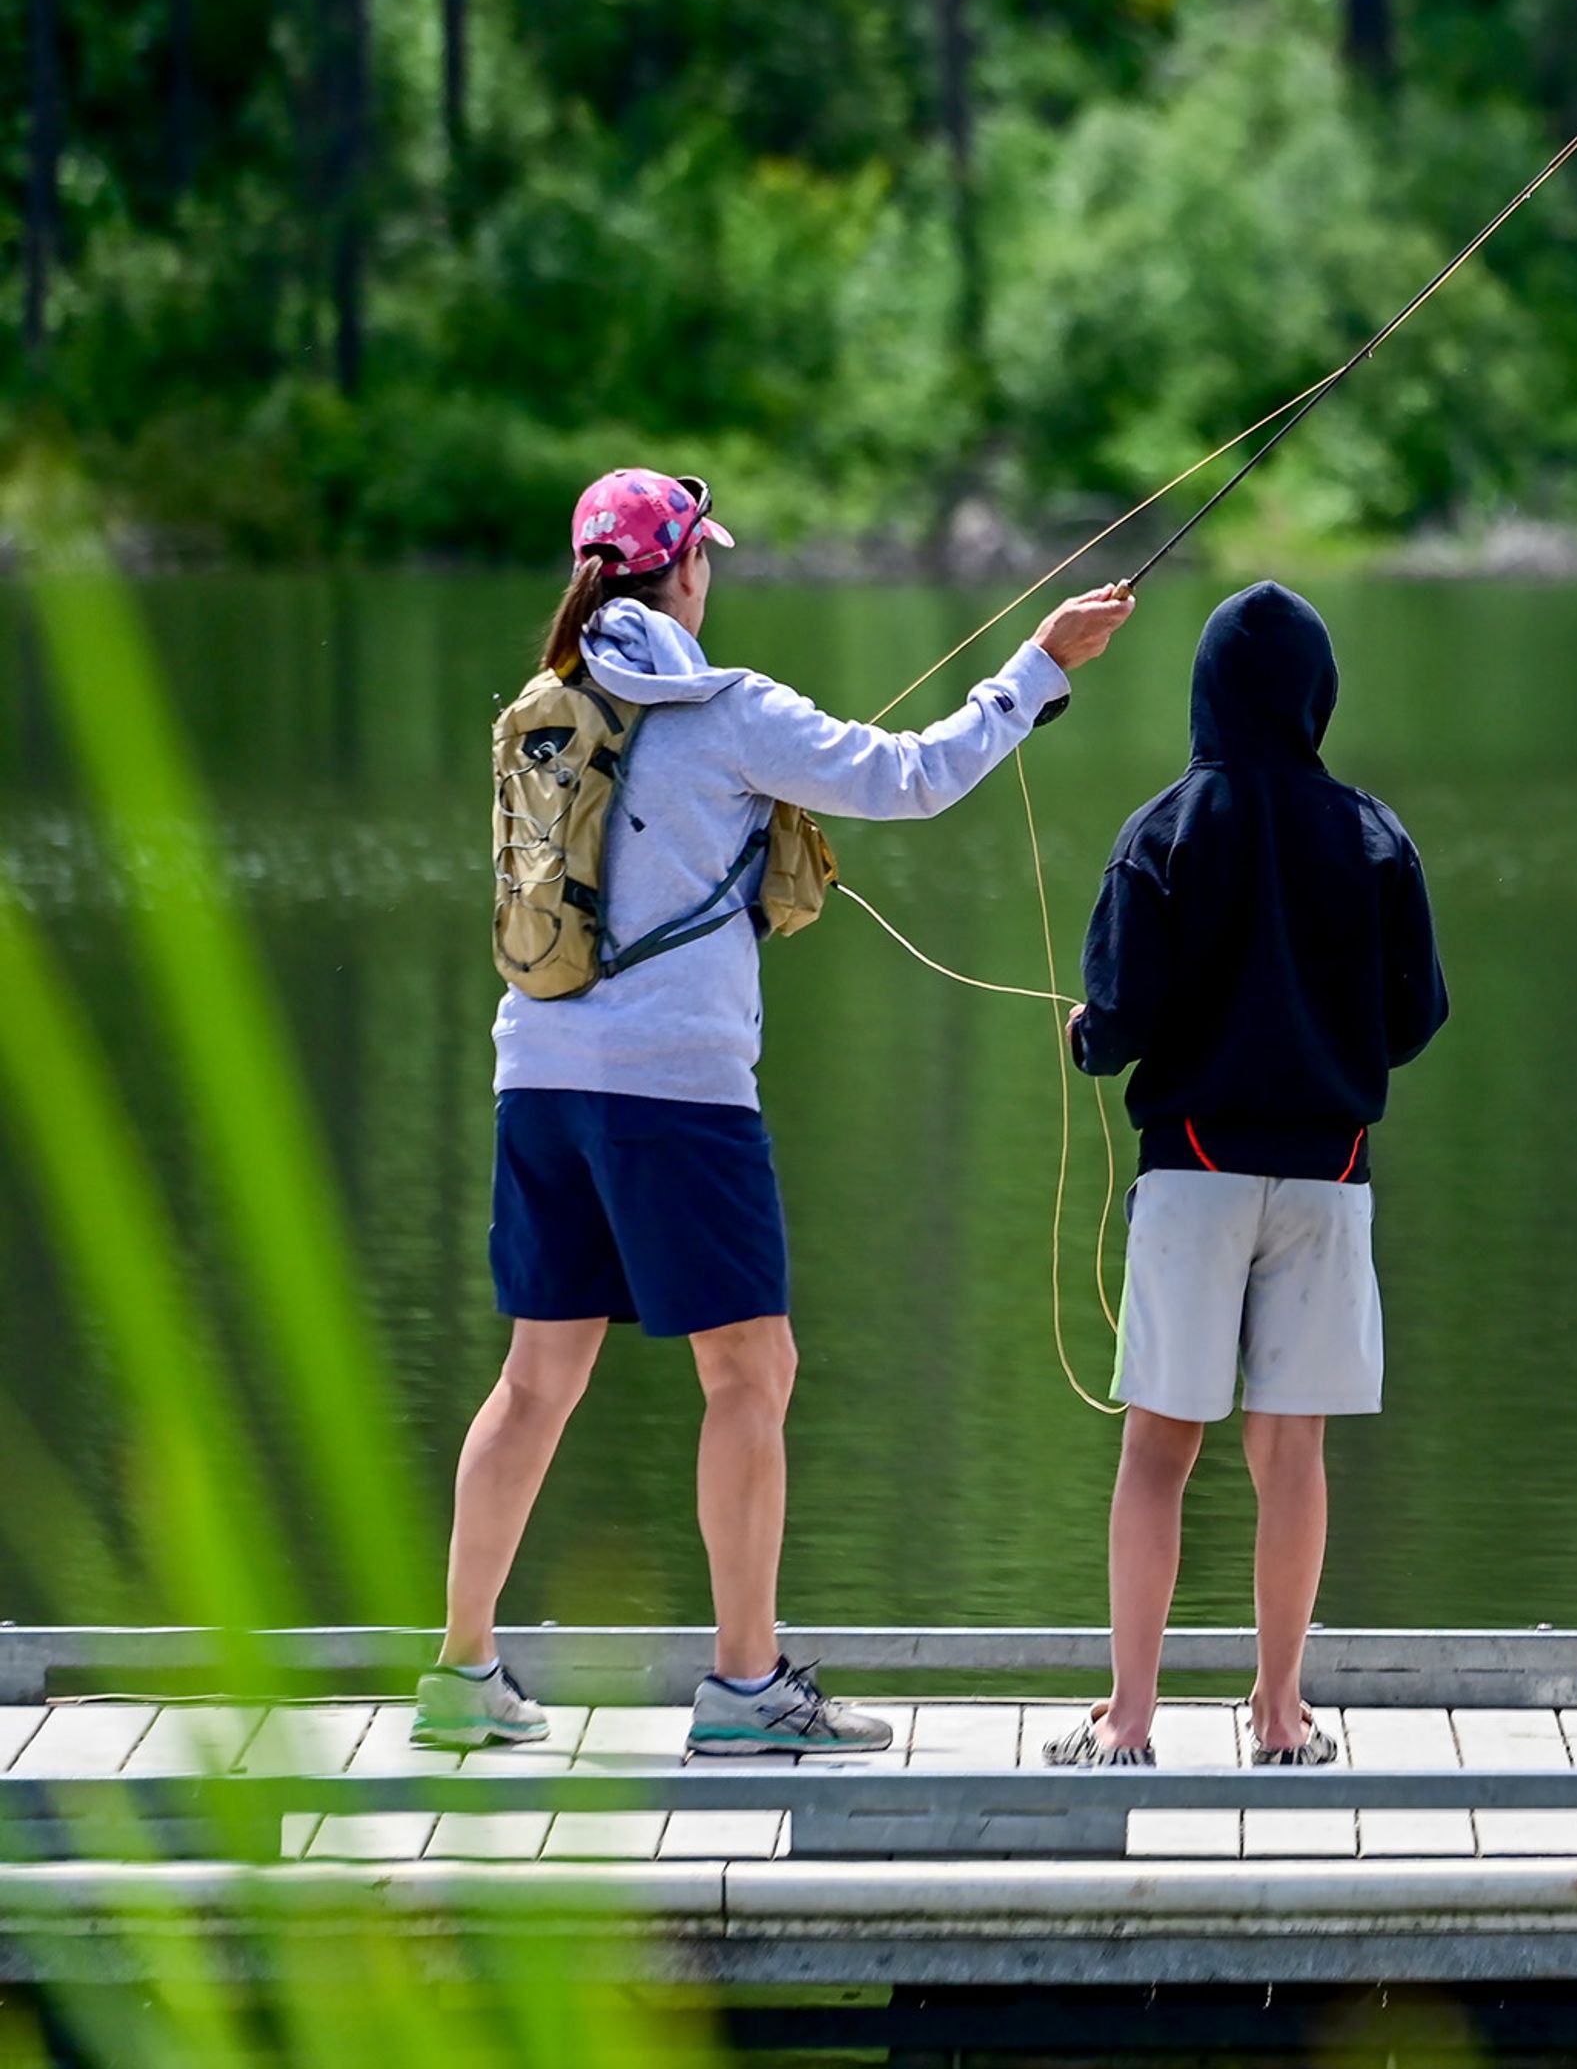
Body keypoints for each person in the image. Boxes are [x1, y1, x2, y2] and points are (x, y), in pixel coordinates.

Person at [417, 466, 1135, 1754]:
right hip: (676, 1097)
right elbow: (915, 776)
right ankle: (746, 1688)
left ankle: (462, 1673)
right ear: (681, 571)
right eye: (707, 561)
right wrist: (1038, 664)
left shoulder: (540, 709)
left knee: (534, 1381)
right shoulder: (728, 707)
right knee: (751, 1370)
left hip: (536, 1081)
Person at [1050, 583, 1446, 1768]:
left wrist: (1083, 1038)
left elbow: (1117, 1019)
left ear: (1205, 691)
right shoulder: (1374, 834)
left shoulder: (1162, 830)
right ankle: (1280, 1714)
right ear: (1317, 697)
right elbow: (1416, 1016)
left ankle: (1128, 1720)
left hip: (1195, 1179)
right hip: (1327, 1182)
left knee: (1159, 1449)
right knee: (1292, 1456)